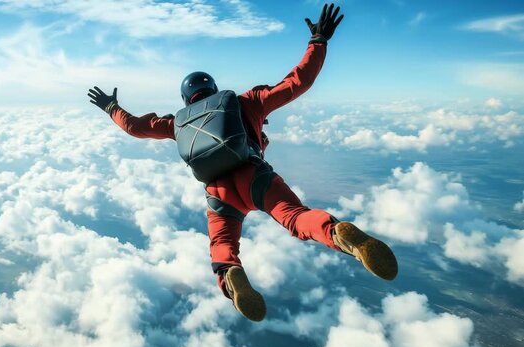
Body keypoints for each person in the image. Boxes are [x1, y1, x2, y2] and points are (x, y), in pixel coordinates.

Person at [88, 3, 397, 322]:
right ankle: (335, 232)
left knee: (222, 245)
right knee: (295, 217)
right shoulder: (245, 101)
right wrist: (318, 41)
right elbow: (297, 82)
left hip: (219, 193)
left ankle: (230, 275)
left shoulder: (176, 122)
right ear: (214, 90)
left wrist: (112, 107)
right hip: (255, 178)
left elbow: (136, 127)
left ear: (185, 99)